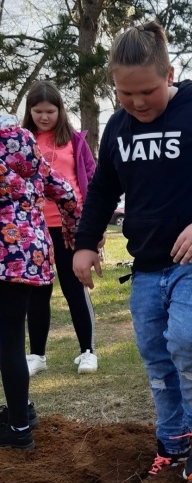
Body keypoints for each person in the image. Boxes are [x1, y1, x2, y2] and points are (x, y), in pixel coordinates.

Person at [72, 22, 192, 483]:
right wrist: (84, 243)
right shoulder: (118, 128)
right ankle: (172, 439)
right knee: (157, 355)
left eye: (147, 91)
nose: (137, 103)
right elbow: (101, 190)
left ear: (170, 73)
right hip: (146, 265)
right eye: (124, 93)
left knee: (190, 341)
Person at [0, 114, 80, 449]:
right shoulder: (29, 150)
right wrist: (74, 238)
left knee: (7, 342)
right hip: (31, 255)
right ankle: (21, 414)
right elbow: (67, 195)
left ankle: (18, 429)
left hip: (3, 257)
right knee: (12, 338)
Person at [21, 81, 98, 376]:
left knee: (74, 287)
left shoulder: (75, 141)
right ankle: (37, 355)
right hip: (35, 229)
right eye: (38, 111)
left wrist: (93, 224)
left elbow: (91, 179)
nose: (44, 116)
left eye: (50, 111)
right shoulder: (22, 140)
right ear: (30, 112)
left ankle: (87, 351)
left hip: (70, 227)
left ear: (60, 111)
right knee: (37, 292)